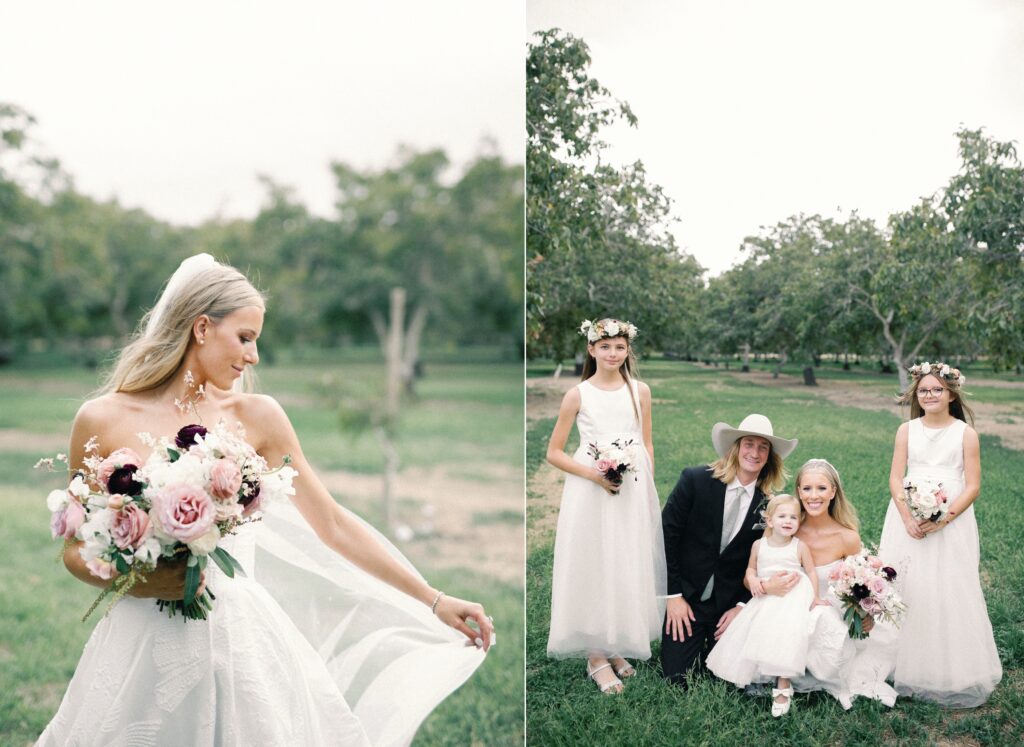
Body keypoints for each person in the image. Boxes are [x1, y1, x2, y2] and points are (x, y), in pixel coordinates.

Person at [37, 254, 495, 747]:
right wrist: (149, 582)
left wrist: (434, 599)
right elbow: (74, 551)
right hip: (139, 644)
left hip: (238, 640)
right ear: (201, 328)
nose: (254, 356)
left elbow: (334, 524)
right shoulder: (100, 418)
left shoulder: (260, 418)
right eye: (246, 337)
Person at [545, 318, 666, 694]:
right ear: (591, 349)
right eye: (605, 346)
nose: (613, 354)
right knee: (596, 561)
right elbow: (553, 453)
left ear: (628, 350)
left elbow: (646, 444)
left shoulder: (640, 391)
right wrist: (595, 475)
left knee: (623, 559)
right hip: (591, 490)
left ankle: (614, 644)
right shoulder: (578, 394)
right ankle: (595, 655)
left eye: (620, 347)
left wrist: (645, 486)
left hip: (629, 488)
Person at [876, 362, 1002, 707]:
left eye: (936, 389)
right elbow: (894, 477)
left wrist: (942, 519)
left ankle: (946, 666)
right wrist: (907, 517)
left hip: (952, 520)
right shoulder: (907, 431)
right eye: (923, 390)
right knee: (907, 584)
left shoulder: (965, 434)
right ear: (915, 395)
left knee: (947, 586)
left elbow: (973, 485)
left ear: (950, 394)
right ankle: (897, 662)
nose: (929, 395)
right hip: (907, 518)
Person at [660, 413, 798, 688]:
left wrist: (741, 606)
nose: (754, 452)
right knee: (677, 677)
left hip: (728, 604)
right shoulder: (695, 480)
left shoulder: (768, 506)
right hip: (687, 597)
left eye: (763, 447)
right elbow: (666, 537)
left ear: (769, 457)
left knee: (728, 677)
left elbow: (764, 562)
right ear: (735, 447)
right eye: (748, 444)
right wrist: (673, 596)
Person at [785, 458, 898, 709]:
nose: (814, 496)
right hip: (794, 608)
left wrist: (865, 612)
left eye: (822, 488)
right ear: (798, 492)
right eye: (807, 488)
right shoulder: (788, 530)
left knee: (826, 620)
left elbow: (859, 584)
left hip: (833, 610)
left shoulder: (846, 537)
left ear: (833, 492)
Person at [706, 494, 830, 716]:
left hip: (792, 595)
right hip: (765, 595)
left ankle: (783, 682)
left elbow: (810, 570)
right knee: (759, 631)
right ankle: (761, 676)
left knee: (786, 632)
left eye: (793, 517)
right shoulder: (758, 545)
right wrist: (753, 580)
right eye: (782, 516)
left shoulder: (799, 546)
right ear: (769, 520)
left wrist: (814, 597)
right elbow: (751, 569)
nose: (788, 521)